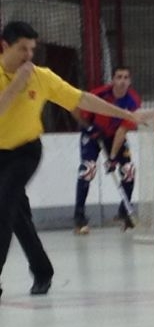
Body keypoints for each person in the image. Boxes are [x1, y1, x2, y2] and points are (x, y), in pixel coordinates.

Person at [0, 21, 146, 300]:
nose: (29, 56)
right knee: (16, 216)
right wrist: (17, 84)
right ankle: (43, 270)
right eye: (22, 49)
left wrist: (127, 115)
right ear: (5, 46)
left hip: (24, 152)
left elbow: (83, 99)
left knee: (2, 209)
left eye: (32, 49)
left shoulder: (41, 77)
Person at [71, 65, 140, 233]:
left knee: (128, 170)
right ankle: (79, 218)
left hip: (113, 136)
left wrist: (113, 158)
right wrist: (88, 128)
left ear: (130, 81)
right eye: (119, 77)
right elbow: (75, 109)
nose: (122, 81)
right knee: (88, 169)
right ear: (113, 80)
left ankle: (124, 213)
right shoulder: (99, 94)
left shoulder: (133, 101)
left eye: (125, 77)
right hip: (92, 134)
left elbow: (122, 130)